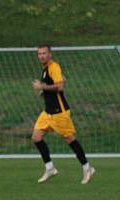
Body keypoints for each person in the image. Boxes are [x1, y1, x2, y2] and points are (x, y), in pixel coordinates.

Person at [31, 45, 95, 185]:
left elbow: (60, 86)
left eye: (44, 53)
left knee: (70, 140)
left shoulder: (54, 66)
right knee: (36, 137)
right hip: (48, 112)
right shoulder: (46, 69)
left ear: (50, 54)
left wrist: (42, 87)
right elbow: (62, 79)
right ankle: (50, 168)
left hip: (59, 112)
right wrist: (45, 91)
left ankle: (87, 167)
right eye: (39, 53)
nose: (41, 56)